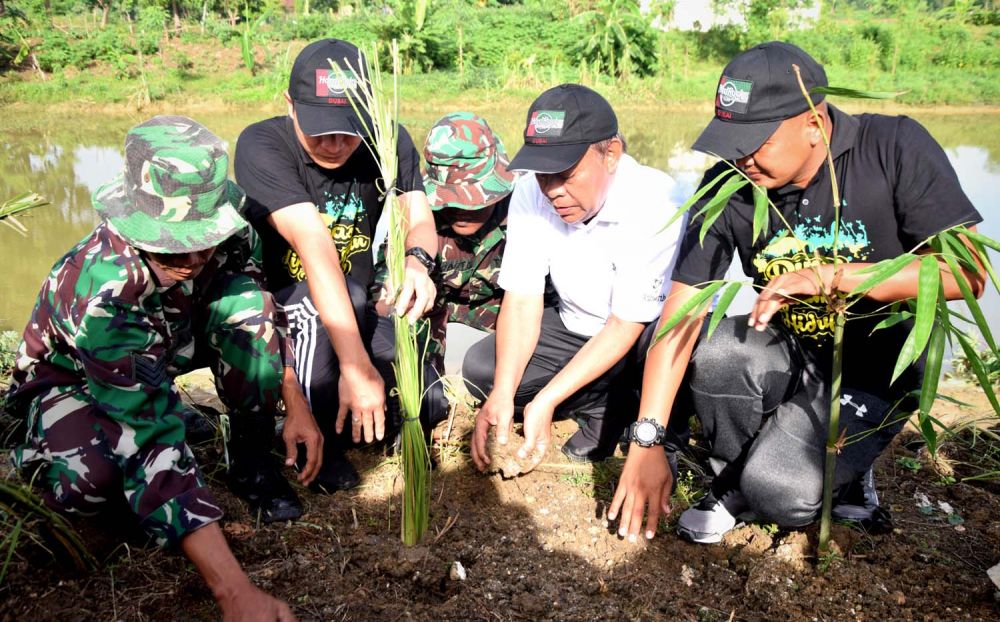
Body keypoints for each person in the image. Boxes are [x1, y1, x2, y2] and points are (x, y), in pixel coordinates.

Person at [607, 41, 985, 544]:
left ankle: (826, 477)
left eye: (756, 141)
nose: (741, 159)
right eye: (731, 142)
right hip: (789, 351)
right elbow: (683, 310)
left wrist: (835, 276)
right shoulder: (728, 181)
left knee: (781, 492)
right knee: (720, 350)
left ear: (813, 121)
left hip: (878, 366)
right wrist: (646, 440)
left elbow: (966, 272)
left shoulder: (893, 146)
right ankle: (732, 481)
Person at [6, 116, 316, 620]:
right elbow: (146, 434)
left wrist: (295, 403)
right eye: (175, 242)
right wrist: (234, 591)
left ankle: (252, 454)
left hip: (161, 347)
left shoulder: (230, 222)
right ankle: (41, 454)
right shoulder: (104, 291)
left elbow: (264, 307)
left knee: (249, 305)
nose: (194, 258)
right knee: (95, 481)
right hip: (71, 381)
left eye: (205, 239)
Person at [233, 38, 437, 517]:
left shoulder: (388, 139)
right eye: (320, 130)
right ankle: (315, 430)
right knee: (336, 304)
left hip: (358, 301)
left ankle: (350, 407)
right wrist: (355, 366)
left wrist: (417, 262)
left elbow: (420, 216)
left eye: (348, 130)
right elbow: (316, 247)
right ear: (289, 106)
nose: (335, 145)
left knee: (427, 404)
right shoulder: (261, 145)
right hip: (288, 307)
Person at [467, 84, 686, 471]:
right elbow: (521, 299)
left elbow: (624, 324)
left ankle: (656, 417)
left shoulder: (656, 200)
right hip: (574, 325)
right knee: (481, 371)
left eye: (566, 173)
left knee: (670, 336)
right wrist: (502, 394)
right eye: (543, 175)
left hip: (639, 335)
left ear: (612, 155)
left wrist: (547, 400)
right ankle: (607, 404)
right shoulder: (530, 191)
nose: (552, 190)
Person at [372, 111, 516, 434]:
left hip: (501, 330)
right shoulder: (417, 221)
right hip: (434, 327)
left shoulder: (524, 214)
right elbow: (383, 300)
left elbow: (537, 308)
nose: (462, 211)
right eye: (450, 201)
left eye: (474, 201)